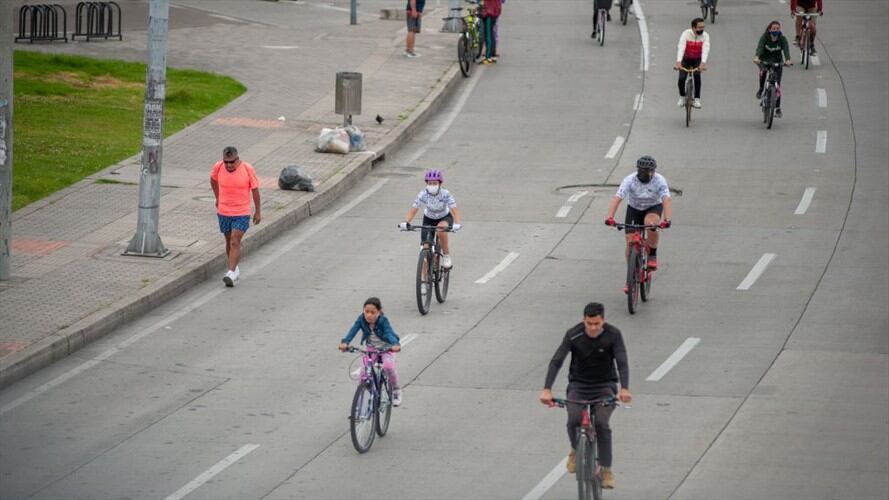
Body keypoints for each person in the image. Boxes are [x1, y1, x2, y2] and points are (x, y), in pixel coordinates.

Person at [539, 302, 631, 489]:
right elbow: (557, 360)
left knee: (602, 424)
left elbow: (622, 361)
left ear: (603, 321)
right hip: (579, 386)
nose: (592, 328)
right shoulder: (574, 334)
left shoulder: (613, 335)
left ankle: (606, 469)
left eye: (596, 324)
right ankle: (575, 448)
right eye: (589, 323)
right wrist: (547, 389)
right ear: (584, 320)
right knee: (573, 419)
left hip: (605, 386)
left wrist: (624, 388)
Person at [605, 156, 672, 291]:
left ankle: (652, 254)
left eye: (648, 171)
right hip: (634, 209)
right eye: (642, 170)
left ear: (653, 171)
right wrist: (610, 217)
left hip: (652, 207)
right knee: (630, 242)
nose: (645, 173)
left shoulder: (659, 180)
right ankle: (631, 275)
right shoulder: (629, 180)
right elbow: (617, 198)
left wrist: (667, 219)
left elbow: (666, 199)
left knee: (650, 223)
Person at [210, 146, 261, 287]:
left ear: (237, 160)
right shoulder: (218, 167)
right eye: (226, 162)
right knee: (228, 242)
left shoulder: (247, 169)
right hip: (224, 212)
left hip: (242, 213)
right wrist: (217, 197)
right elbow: (213, 180)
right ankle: (235, 268)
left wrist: (257, 211)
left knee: (234, 240)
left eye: (232, 162)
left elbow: (255, 190)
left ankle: (231, 273)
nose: (229, 165)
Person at [339, 297, 404, 406]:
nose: (369, 315)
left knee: (389, 367)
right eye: (366, 312)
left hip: (386, 348)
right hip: (371, 349)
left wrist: (395, 344)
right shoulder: (361, 319)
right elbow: (353, 330)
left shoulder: (383, 321)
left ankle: (396, 390)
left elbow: (389, 333)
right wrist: (345, 342)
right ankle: (357, 407)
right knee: (363, 374)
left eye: (373, 312)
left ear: (379, 312)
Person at [399, 169, 463, 269]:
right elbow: (413, 210)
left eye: (434, 183)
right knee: (425, 248)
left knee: (440, 229)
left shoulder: (446, 194)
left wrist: (457, 223)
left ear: (440, 184)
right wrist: (406, 222)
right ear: (426, 183)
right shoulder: (423, 194)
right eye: (430, 183)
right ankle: (425, 280)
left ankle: (446, 255)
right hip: (428, 219)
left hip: (444, 217)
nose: (432, 185)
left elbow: (454, 210)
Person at [754, 21, 793, 119]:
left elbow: (786, 50)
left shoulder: (782, 39)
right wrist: (757, 57)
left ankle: (778, 108)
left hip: (777, 62)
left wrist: (787, 60)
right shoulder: (765, 37)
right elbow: (760, 47)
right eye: (774, 29)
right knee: (763, 72)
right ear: (769, 29)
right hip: (764, 60)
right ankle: (761, 88)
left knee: (777, 84)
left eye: (777, 29)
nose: (776, 30)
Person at [674, 18, 710, 109]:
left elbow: (706, 49)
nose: (701, 30)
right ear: (693, 28)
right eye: (699, 28)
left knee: (697, 76)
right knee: (681, 78)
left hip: (697, 59)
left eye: (703, 27)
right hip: (686, 59)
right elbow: (681, 46)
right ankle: (682, 97)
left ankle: (697, 99)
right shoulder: (686, 34)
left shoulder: (705, 36)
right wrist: (678, 61)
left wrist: (703, 63)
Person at [480, 0, 503, 64]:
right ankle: (492, 56)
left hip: (490, 12)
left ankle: (488, 57)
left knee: (488, 35)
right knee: (490, 34)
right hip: (491, 11)